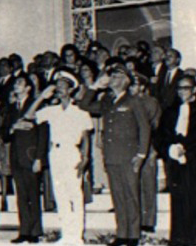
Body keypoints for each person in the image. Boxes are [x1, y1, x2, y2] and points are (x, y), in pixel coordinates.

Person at [78, 63, 150, 246]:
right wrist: (95, 86)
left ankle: (133, 235)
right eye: (111, 76)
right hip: (111, 156)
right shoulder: (107, 100)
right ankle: (122, 233)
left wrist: (141, 155)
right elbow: (84, 105)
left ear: (125, 81)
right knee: (117, 196)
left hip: (129, 156)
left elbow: (144, 128)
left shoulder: (133, 101)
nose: (111, 79)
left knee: (131, 195)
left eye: (116, 76)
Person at [30, 70, 93, 246]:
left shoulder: (80, 113)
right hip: (55, 154)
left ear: (71, 89)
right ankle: (66, 234)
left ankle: (77, 236)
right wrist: (42, 97)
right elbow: (30, 115)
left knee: (75, 195)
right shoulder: (52, 111)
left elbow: (86, 138)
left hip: (72, 153)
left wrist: (85, 158)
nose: (59, 89)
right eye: (57, 86)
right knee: (61, 195)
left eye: (63, 86)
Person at [158, 74, 196, 246]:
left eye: (186, 88)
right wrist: (170, 148)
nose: (182, 92)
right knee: (179, 201)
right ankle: (180, 239)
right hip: (175, 162)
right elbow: (161, 135)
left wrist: (186, 148)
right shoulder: (170, 111)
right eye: (179, 88)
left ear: (195, 90)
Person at [4, 75, 48, 244]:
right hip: (15, 156)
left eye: (20, 83)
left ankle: (35, 231)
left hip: (30, 156)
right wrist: (12, 128)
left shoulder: (37, 105)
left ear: (28, 88)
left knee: (33, 194)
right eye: (15, 83)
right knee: (21, 195)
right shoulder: (11, 108)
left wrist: (39, 158)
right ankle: (24, 230)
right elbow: (4, 133)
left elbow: (43, 134)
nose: (16, 85)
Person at [129, 74, 160, 233]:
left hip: (147, 146)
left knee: (148, 183)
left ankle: (148, 221)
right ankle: (136, 218)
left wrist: (153, 149)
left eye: (134, 85)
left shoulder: (150, 102)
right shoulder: (126, 101)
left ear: (142, 86)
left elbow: (154, 126)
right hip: (129, 147)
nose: (131, 88)